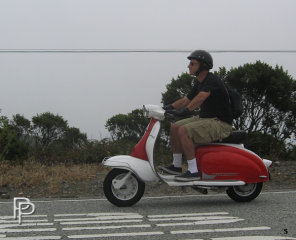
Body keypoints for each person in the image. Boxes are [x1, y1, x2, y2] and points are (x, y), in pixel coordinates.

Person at [160, 50, 233, 181]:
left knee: (184, 130)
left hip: (220, 123)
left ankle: (193, 171)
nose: (189, 66)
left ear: (203, 66)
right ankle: (176, 165)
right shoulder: (199, 82)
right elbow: (186, 100)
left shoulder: (212, 80)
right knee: (175, 127)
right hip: (207, 119)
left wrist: (185, 111)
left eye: (192, 63)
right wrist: (168, 108)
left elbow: (200, 98)